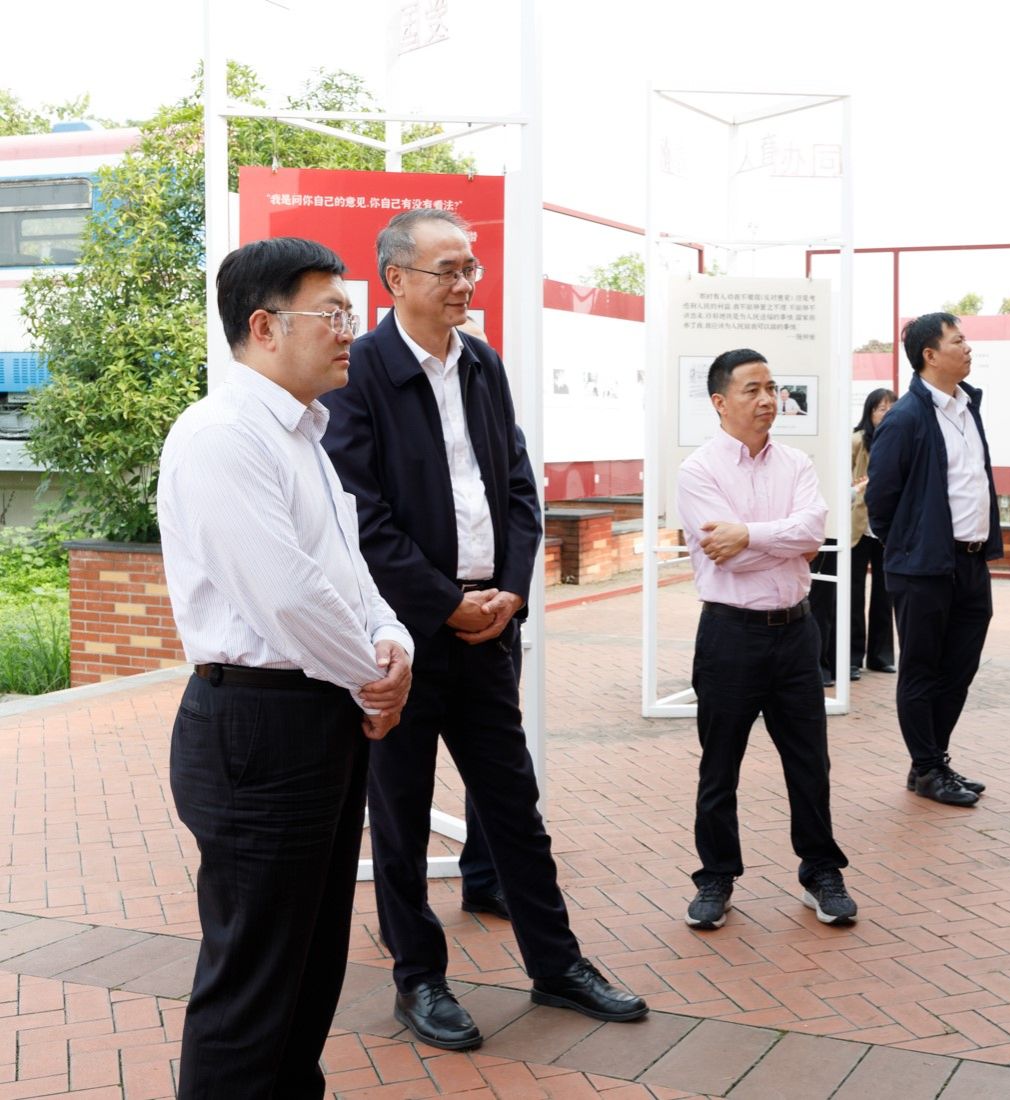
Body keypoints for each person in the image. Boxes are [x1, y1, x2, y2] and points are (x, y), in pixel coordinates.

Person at [320, 208, 645, 1052]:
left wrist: (510, 591)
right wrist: (441, 603)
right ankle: (419, 979)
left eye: (471, 267)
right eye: (449, 270)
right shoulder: (360, 371)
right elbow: (361, 515)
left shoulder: (482, 364)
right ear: (396, 279)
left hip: (488, 626)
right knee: (399, 815)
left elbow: (517, 487)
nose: (466, 283)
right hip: (403, 636)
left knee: (513, 807)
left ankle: (557, 964)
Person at [158, 237, 415, 1098]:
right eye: (332, 314)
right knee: (254, 985)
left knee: (308, 966)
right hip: (259, 727)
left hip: (317, 712)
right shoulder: (221, 436)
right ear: (264, 327)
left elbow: (350, 576)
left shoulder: (306, 435)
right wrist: (374, 679)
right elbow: (288, 596)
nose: (351, 331)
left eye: (351, 313)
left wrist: (395, 646)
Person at [676, 347, 857, 930]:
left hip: (796, 633)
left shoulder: (796, 464)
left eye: (771, 388)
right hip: (730, 634)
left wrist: (750, 535)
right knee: (719, 765)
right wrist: (778, 542)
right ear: (720, 401)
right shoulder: (699, 470)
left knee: (810, 762)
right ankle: (716, 877)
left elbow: (813, 534)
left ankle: (821, 872)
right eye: (752, 389)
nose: (767, 400)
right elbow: (723, 556)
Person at [866, 313, 1000, 808]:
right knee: (921, 670)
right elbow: (881, 499)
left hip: (970, 562)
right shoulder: (905, 418)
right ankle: (927, 769)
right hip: (922, 567)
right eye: (958, 340)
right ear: (930, 354)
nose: (968, 347)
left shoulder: (967, 407)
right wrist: (909, 546)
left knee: (959, 668)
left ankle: (931, 760)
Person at [849, 388, 897, 677]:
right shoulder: (856, 440)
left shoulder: (900, 441)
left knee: (885, 593)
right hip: (857, 528)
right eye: (881, 409)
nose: (887, 414)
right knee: (853, 594)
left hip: (886, 529)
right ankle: (852, 658)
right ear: (870, 412)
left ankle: (880, 656)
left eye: (892, 408)